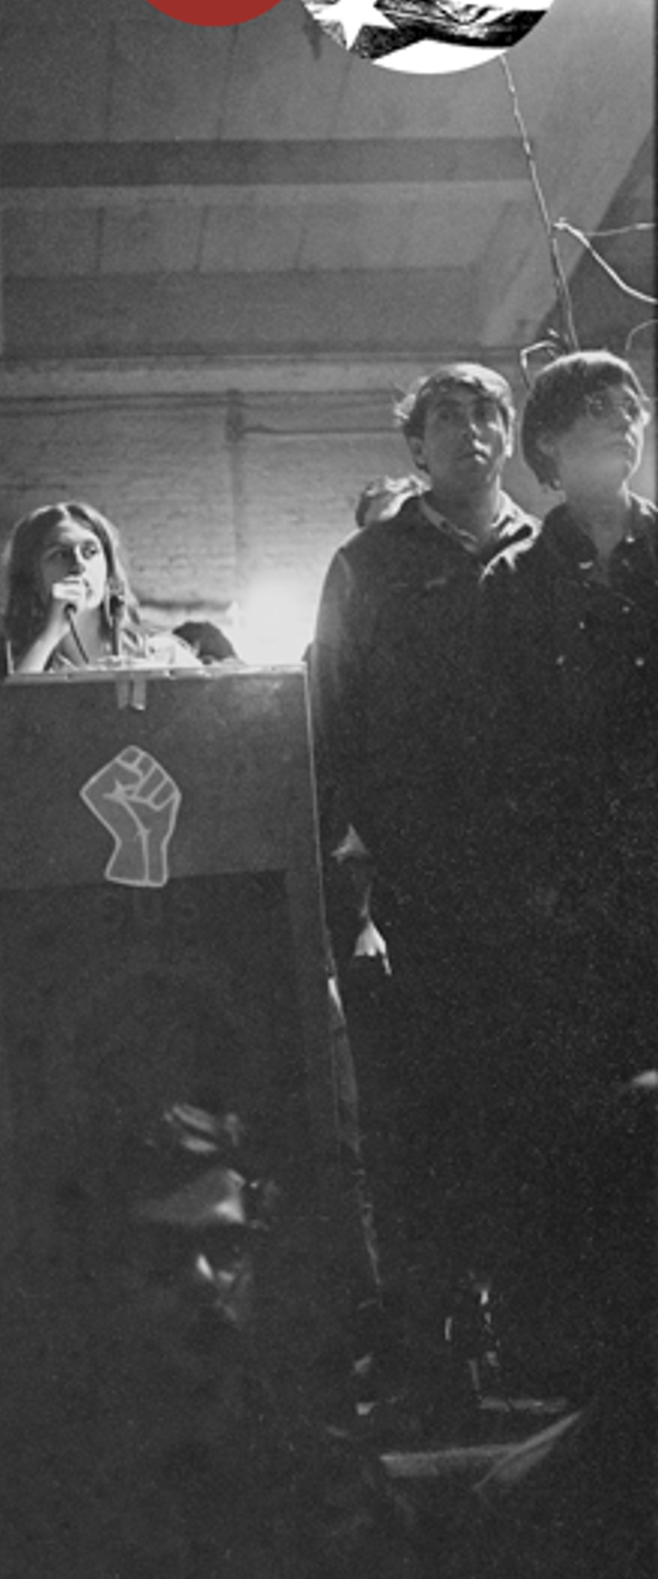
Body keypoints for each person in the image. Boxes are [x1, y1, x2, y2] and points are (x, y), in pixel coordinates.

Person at [309, 364, 538, 1411]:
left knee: (528, 1118)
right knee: (416, 1126)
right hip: (413, 894)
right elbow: (331, 729)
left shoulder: (551, 554)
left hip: (539, 894)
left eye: (490, 415)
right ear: (416, 447)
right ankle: (423, 1352)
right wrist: (346, 898)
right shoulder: (366, 565)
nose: (474, 434)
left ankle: (534, 1341)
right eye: (449, 419)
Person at [470, 352, 658, 1386]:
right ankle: (591, 1351)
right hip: (571, 899)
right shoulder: (513, 583)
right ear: (548, 446)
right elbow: (501, 748)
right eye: (593, 421)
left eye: (628, 419)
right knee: (583, 1118)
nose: (619, 436)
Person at [4, 501, 197, 673]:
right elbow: (17, 707)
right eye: (60, 554)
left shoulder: (163, 655)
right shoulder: (17, 663)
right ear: (32, 577)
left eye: (91, 551)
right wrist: (48, 636)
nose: (79, 564)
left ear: (108, 568)